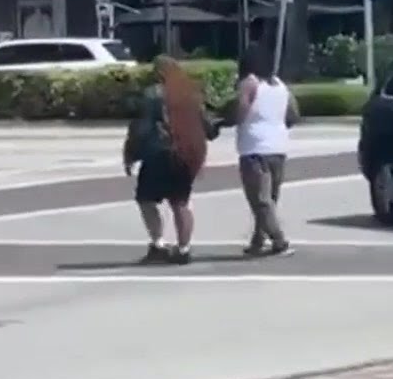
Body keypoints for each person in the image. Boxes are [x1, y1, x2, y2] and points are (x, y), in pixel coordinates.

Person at [123, 56, 220, 265]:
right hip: (185, 154)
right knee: (181, 202)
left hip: (158, 153)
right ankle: (184, 248)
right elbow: (208, 126)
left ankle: (158, 244)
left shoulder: (151, 95)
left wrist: (130, 153)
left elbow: (141, 128)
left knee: (146, 199)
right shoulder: (190, 93)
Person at [232, 45, 300, 257]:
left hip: (254, 147)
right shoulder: (280, 85)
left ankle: (279, 240)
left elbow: (240, 112)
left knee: (260, 201)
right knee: (270, 198)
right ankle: (258, 240)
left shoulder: (249, 83)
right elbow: (294, 114)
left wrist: (226, 119)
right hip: (278, 147)